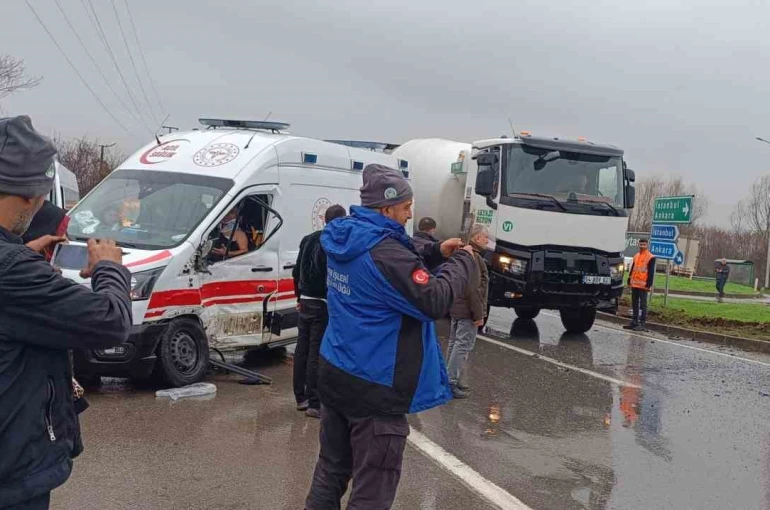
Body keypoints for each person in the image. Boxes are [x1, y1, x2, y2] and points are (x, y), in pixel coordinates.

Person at [305, 164, 475, 509]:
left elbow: (388, 249)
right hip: (375, 387)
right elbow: (434, 301)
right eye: (405, 207)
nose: (410, 214)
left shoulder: (342, 235)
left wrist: (433, 250)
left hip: (336, 371)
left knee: (331, 470)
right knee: (374, 487)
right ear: (386, 208)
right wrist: (462, 262)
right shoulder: (386, 255)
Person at [0, 115, 133, 509]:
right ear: (30, 194)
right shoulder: (12, 271)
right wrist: (111, 268)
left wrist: (22, 255)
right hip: (11, 473)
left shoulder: (13, 265)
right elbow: (110, 322)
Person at [292, 203, 347, 419]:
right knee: (316, 352)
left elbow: (296, 271)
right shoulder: (332, 242)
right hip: (322, 303)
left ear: (324, 219)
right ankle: (315, 402)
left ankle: (300, 397)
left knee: (301, 350)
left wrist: (298, 296)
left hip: (305, 301)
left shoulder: (308, 239)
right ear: (342, 221)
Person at [446, 223, 489, 399]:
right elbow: (474, 289)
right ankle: (451, 381)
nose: (488, 241)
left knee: (454, 343)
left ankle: (448, 378)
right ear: (477, 238)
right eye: (486, 237)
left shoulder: (461, 253)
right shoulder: (475, 258)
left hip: (457, 306)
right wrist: (478, 315)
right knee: (462, 345)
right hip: (467, 309)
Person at [624, 238, 655, 331]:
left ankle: (642, 323)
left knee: (643, 305)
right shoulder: (636, 256)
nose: (642, 246)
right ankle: (634, 322)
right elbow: (633, 268)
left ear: (647, 245)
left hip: (643, 284)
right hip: (635, 284)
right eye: (641, 244)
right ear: (638, 244)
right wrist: (629, 278)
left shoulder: (650, 257)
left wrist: (649, 284)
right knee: (634, 304)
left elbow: (651, 272)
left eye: (644, 245)